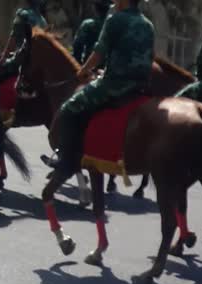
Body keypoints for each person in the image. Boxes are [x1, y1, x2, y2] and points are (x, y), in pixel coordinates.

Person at [51, 0, 154, 181]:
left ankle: (66, 160)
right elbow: (150, 57)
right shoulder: (148, 25)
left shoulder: (115, 20)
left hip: (114, 85)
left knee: (69, 108)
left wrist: (82, 71)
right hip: (140, 86)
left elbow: (99, 53)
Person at [0, 0, 48, 82]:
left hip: (21, 59)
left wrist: (3, 59)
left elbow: (13, 39)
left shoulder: (23, 14)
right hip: (38, 63)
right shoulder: (44, 21)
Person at [72, 0, 112, 64]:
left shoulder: (87, 24)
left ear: (94, 8)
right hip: (109, 66)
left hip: (89, 65)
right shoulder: (115, 24)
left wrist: (78, 64)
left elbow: (77, 46)